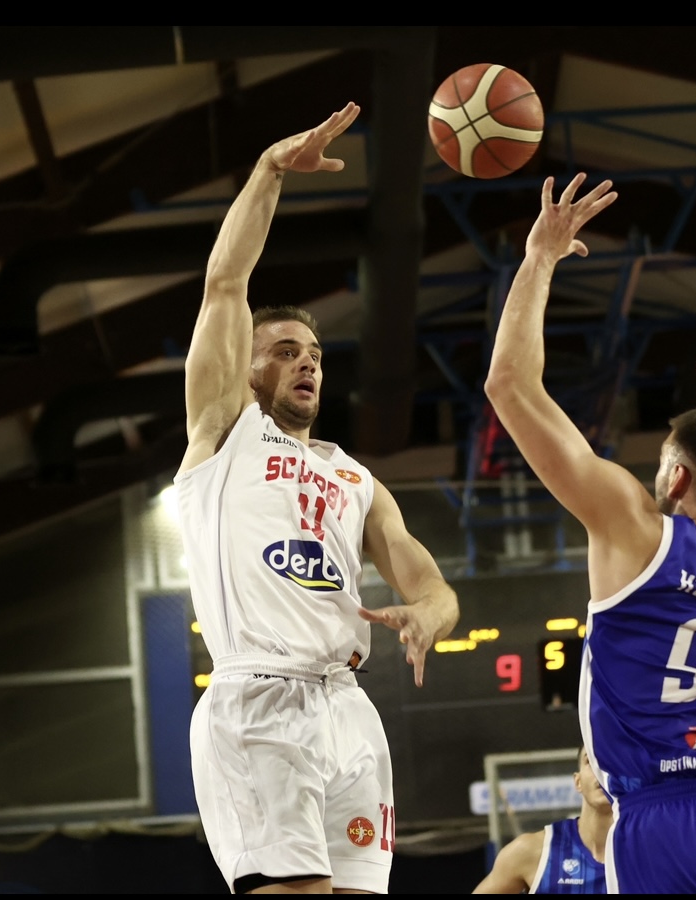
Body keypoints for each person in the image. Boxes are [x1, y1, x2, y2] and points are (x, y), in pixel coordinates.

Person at [483, 173, 696, 894]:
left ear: (675, 479)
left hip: (664, 819)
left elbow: (509, 385)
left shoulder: (638, 534)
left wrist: (539, 257)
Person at [175, 102, 460, 895]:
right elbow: (224, 283)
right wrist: (269, 172)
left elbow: (430, 583)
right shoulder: (223, 433)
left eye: (315, 354)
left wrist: (431, 616)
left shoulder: (355, 478)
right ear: (246, 370)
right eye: (284, 351)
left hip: (347, 710)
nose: (307, 363)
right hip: (258, 701)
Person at [473, 748, 611, 894]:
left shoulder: (631, 853)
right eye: (590, 761)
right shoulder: (531, 851)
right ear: (578, 782)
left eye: (614, 761)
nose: (602, 770)